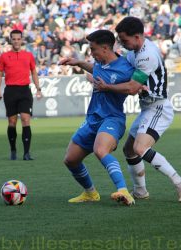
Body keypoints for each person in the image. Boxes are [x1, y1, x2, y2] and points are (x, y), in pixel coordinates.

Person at [94, 17, 181, 202]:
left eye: (124, 40)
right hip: (148, 108)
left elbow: (131, 88)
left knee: (140, 148)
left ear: (138, 37)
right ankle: (140, 191)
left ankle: (180, 182)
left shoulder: (146, 55)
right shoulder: (134, 51)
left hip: (158, 108)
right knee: (129, 150)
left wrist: (107, 86)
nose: (122, 44)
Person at [58, 30, 135, 206]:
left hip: (112, 118)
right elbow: (95, 68)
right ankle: (90, 193)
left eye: (93, 49)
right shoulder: (100, 62)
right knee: (70, 160)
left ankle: (123, 190)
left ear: (106, 48)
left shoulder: (125, 68)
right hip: (92, 118)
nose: (91, 53)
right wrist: (78, 62)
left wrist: (141, 88)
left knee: (101, 150)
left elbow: (134, 86)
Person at [0, 29, 43, 161]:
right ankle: (13, 149)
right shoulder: (4, 56)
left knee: (26, 119)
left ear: (22, 40)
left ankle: (27, 153)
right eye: (14, 39)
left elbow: (34, 72)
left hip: (25, 91)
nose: (16, 41)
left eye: (18, 39)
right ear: (10, 40)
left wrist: (38, 88)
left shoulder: (28, 56)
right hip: (10, 91)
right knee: (12, 122)